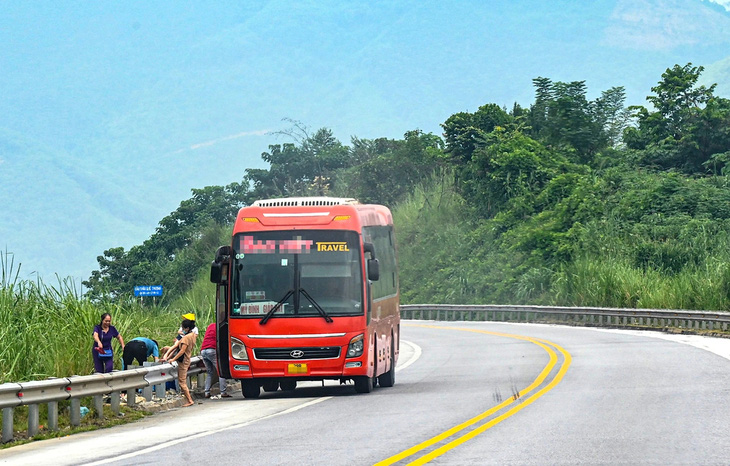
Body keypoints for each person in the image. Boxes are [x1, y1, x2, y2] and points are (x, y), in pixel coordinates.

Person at [163, 319, 197, 407]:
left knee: (182, 382)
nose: (182, 330)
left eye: (183, 328)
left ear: (187, 328)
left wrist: (173, 359)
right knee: (182, 381)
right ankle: (189, 399)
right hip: (187, 359)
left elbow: (181, 351)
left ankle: (190, 400)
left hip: (183, 361)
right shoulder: (193, 335)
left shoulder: (186, 338)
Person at [201, 322, 230, 398]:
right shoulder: (221, 327)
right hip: (212, 350)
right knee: (221, 371)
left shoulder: (210, 326)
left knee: (209, 372)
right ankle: (223, 392)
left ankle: (206, 392)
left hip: (203, 350)